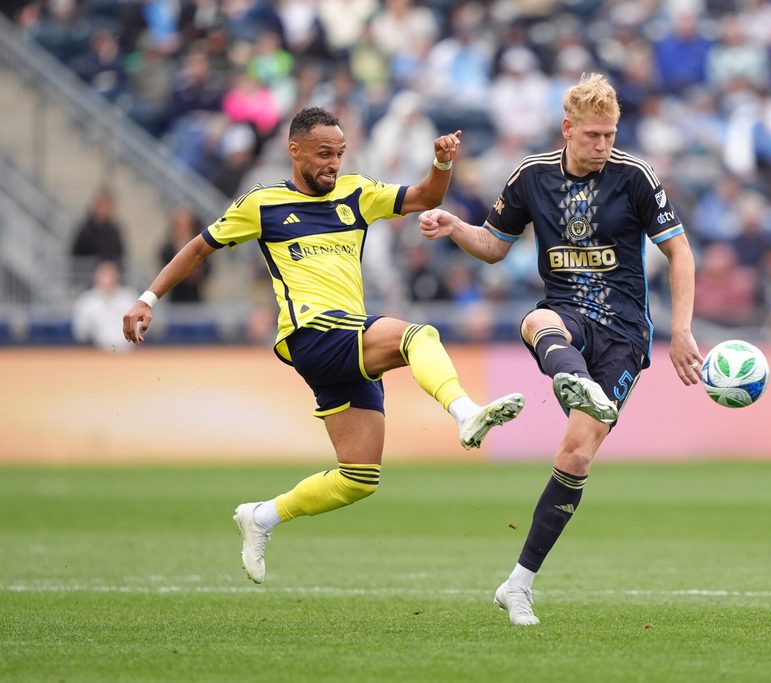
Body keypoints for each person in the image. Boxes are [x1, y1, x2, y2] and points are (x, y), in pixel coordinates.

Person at [122, 106, 525, 584]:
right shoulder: (263, 204)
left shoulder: (357, 193)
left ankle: (262, 516)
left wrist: (442, 162)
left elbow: (424, 197)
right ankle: (465, 412)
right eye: (323, 154)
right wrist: (148, 299)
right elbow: (198, 248)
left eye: (339, 153)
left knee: (359, 478)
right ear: (295, 151)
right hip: (311, 335)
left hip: (347, 336)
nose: (334, 164)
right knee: (418, 335)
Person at [418, 74, 703, 625]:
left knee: (575, 456)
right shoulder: (532, 176)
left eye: (610, 135)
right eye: (593, 135)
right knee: (537, 319)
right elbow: (493, 247)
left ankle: (517, 585)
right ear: (568, 129)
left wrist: (683, 330)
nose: (603, 145)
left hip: (624, 334)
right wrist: (454, 225)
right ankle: (577, 381)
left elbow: (681, 252)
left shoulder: (635, 176)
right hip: (567, 315)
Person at [72, 260, 138, 353]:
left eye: (111, 275)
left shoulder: (129, 297)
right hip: (96, 353)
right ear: (96, 277)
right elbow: (81, 332)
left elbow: (141, 328)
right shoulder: (86, 300)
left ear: (117, 276)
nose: (107, 280)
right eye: (103, 275)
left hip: (130, 352)